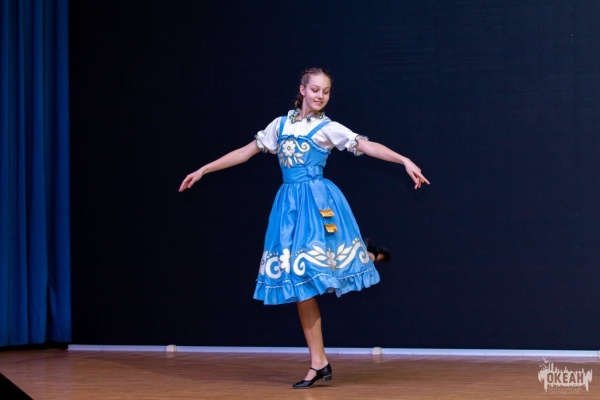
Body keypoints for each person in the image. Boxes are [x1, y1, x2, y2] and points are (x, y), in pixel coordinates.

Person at [179, 67, 429, 389]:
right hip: (289, 209)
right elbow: (245, 152)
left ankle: (365, 257)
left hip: (318, 204)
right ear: (302, 90)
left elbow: (366, 146)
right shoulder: (280, 125)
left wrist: (404, 160)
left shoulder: (328, 128)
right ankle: (319, 361)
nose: (320, 96)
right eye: (315, 89)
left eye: (326, 91)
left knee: (309, 274)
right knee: (300, 284)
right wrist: (204, 169)